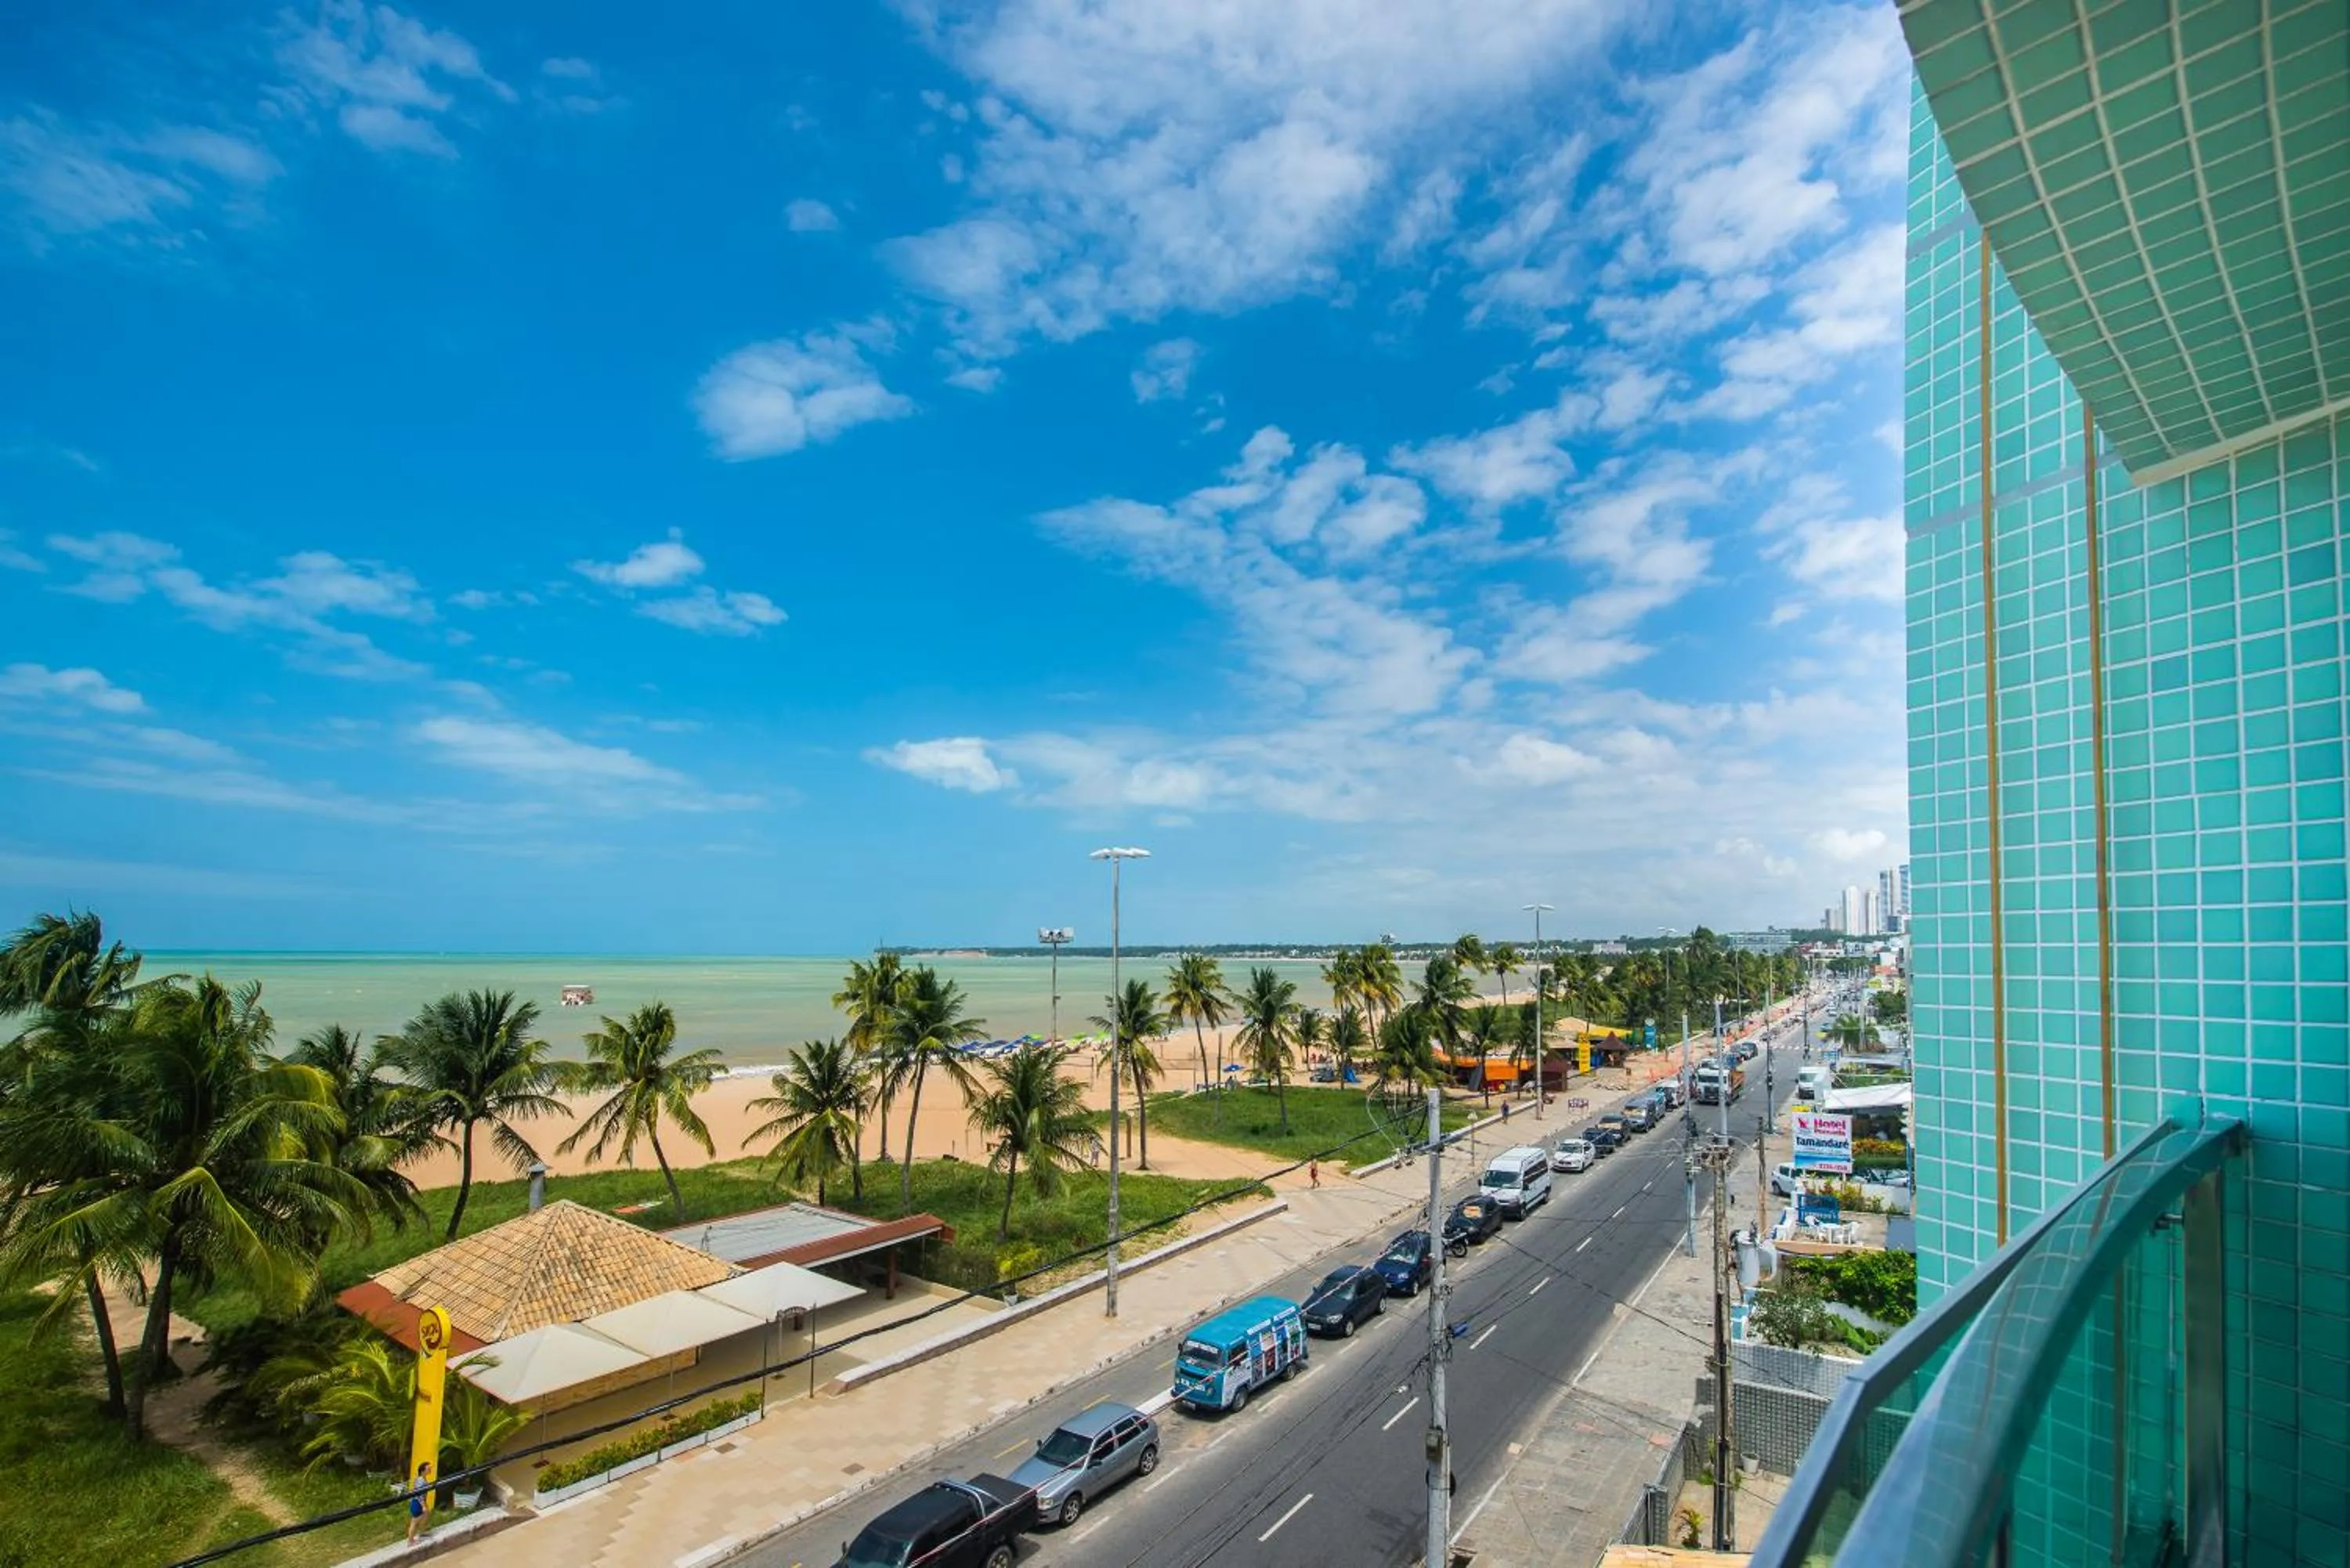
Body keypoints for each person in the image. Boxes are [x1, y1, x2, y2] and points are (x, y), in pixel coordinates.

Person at [407, 1461, 433, 1545]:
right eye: (428, 1469)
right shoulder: (421, 1480)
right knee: (414, 1522)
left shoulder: (422, 1479)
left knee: (426, 1515)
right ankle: (410, 1541)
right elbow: (419, 1494)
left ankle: (422, 1532)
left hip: (420, 1502)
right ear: (422, 1471)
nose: (430, 1470)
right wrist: (423, 1506)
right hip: (417, 1503)